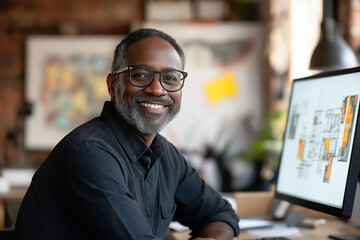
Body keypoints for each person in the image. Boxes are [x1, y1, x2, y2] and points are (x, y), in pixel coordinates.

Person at [15, 28, 240, 240]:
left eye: (171, 78)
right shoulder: (90, 153)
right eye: (141, 75)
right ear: (113, 85)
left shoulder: (165, 155)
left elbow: (222, 214)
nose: (158, 89)